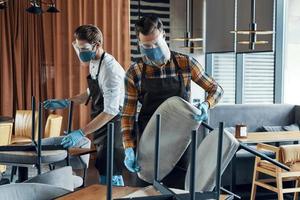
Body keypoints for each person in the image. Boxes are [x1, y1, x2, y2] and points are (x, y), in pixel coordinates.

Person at [121, 16, 224, 186]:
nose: (152, 48)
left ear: (164, 35)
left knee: (180, 190)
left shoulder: (185, 63)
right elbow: (127, 116)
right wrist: (128, 149)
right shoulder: (135, 72)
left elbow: (216, 89)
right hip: (149, 142)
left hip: (181, 141)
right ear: (139, 43)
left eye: (156, 43)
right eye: (146, 46)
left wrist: (206, 105)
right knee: (147, 191)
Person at [44, 25, 125, 186]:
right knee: (103, 169)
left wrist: (81, 133)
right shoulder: (94, 62)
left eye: (84, 48)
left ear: (97, 44)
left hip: (115, 124)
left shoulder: (110, 70)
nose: (80, 52)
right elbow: (91, 91)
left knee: (111, 172)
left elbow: (110, 111)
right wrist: (67, 101)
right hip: (102, 125)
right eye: (78, 47)